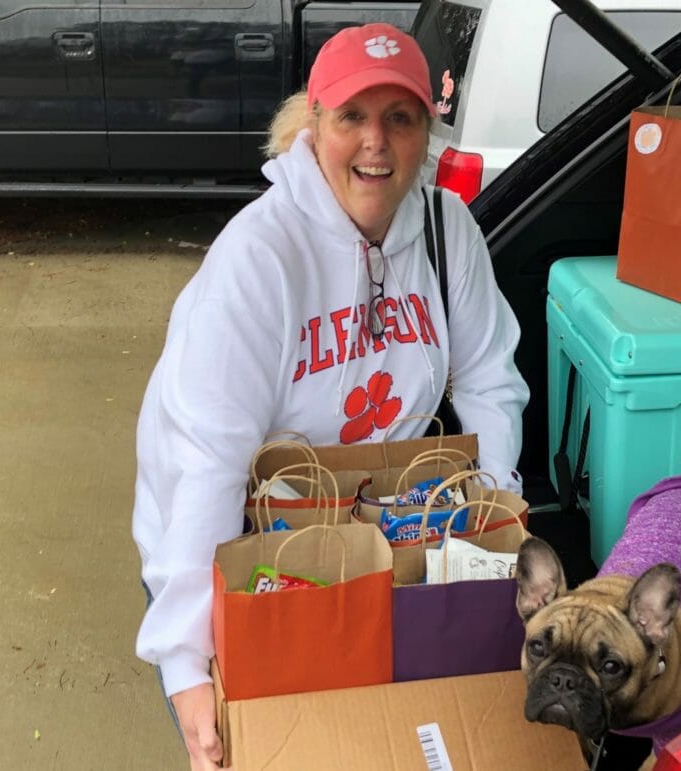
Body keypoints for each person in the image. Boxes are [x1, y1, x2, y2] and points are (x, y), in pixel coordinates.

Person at [132, 22, 530, 769]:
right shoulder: (260, 257)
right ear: (315, 125)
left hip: (379, 529)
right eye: (353, 116)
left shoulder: (449, 233)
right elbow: (207, 462)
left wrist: (493, 517)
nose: (376, 142)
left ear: (426, 132)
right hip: (237, 537)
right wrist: (186, 660)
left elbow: (487, 378)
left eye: (400, 118)